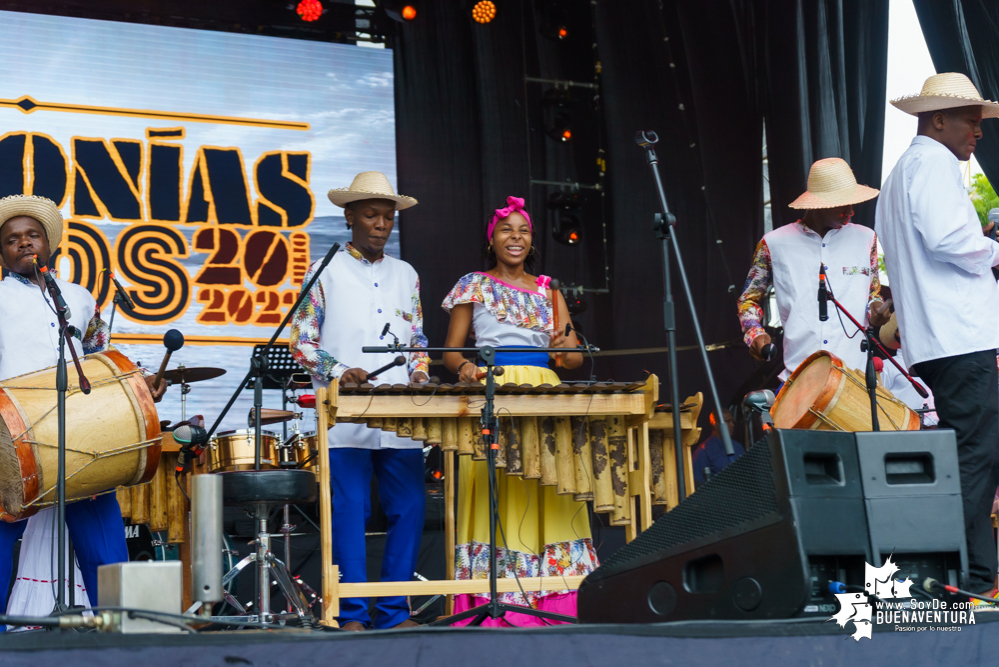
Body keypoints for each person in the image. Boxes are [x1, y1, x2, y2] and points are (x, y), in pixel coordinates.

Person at [0, 194, 166, 621]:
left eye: (32, 235)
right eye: (12, 239)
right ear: (1, 252)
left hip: (80, 433)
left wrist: (140, 386)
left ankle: (119, 631)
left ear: (49, 244)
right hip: (14, 438)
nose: (24, 243)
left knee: (104, 545)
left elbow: (101, 356)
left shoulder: (78, 297)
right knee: (1, 536)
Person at [441, 196, 596, 627]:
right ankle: (494, 604)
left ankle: (556, 605)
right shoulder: (473, 284)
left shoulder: (549, 288)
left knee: (552, 494)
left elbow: (569, 361)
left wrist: (568, 346)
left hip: (544, 396)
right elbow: (451, 353)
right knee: (499, 494)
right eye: (507, 229)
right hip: (494, 391)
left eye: (523, 230)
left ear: (531, 241)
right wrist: (468, 367)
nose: (516, 237)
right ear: (492, 239)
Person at [875, 72, 999, 599]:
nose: (978, 134)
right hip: (959, 336)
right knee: (977, 452)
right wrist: (994, 251)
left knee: (969, 450)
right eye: (970, 123)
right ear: (937, 120)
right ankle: (959, 573)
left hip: (942, 339)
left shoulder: (903, 173)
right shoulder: (932, 163)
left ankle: (969, 575)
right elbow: (951, 238)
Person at [290, 172, 430, 631]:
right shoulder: (323, 270)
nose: (381, 224)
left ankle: (393, 611)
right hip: (344, 417)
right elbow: (303, 340)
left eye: (388, 217)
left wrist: (421, 373)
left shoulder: (406, 274)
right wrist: (337, 371)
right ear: (349, 217)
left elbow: (419, 339)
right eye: (371, 215)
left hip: (399, 416)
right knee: (351, 510)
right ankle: (350, 612)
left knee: (409, 507)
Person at [737, 158, 890, 381]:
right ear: (817, 204)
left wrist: (875, 309)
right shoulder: (774, 243)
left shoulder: (866, 238)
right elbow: (748, 300)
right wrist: (755, 333)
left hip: (854, 375)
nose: (851, 211)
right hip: (799, 376)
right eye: (843, 205)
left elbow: (872, 295)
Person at [691, 409, 745, 489]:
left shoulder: (738, 447)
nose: (732, 425)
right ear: (715, 424)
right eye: (727, 421)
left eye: (732, 421)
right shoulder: (703, 451)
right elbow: (697, 482)